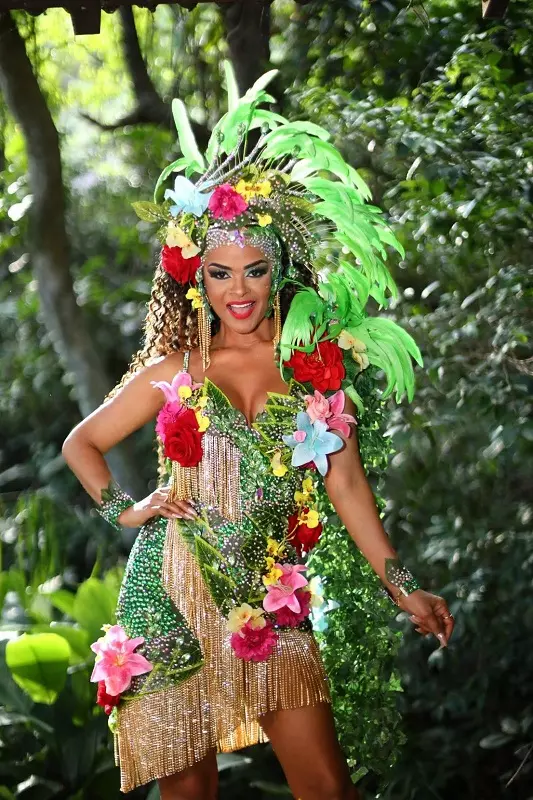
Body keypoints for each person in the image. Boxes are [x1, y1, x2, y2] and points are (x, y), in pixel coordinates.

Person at [62, 70, 454, 800]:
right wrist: (127, 508)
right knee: (189, 793)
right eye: (217, 273)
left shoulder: (311, 370)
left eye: (252, 270)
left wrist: (400, 585)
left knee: (327, 788)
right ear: (194, 278)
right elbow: (80, 443)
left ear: (278, 271)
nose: (236, 290)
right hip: (170, 587)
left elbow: (343, 481)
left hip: (268, 591)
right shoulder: (174, 367)